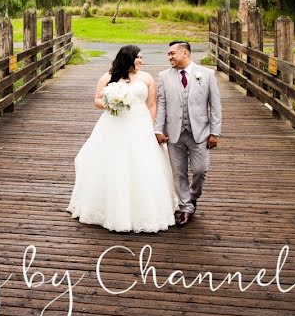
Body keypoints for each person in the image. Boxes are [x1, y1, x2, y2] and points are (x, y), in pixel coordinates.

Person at [66, 45, 177, 233]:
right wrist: (110, 103)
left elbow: (151, 105)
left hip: (140, 125)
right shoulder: (109, 76)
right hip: (115, 124)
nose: (141, 61)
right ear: (127, 58)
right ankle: (112, 210)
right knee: (114, 163)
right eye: (138, 57)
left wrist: (152, 127)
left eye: (141, 57)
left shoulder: (147, 78)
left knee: (143, 165)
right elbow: (96, 100)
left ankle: (146, 210)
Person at [154, 40, 222, 227]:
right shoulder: (164, 76)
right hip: (174, 132)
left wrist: (215, 132)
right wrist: (158, 129)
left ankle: (193, 197)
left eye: (172, 53)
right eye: (168, 54)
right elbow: (162, 104)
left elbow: (215, 105)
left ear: (185, 53)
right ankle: (185, 207)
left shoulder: (207, 75)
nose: (169, 57)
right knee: (179, 173)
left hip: (200, 132)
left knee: (200, 170)